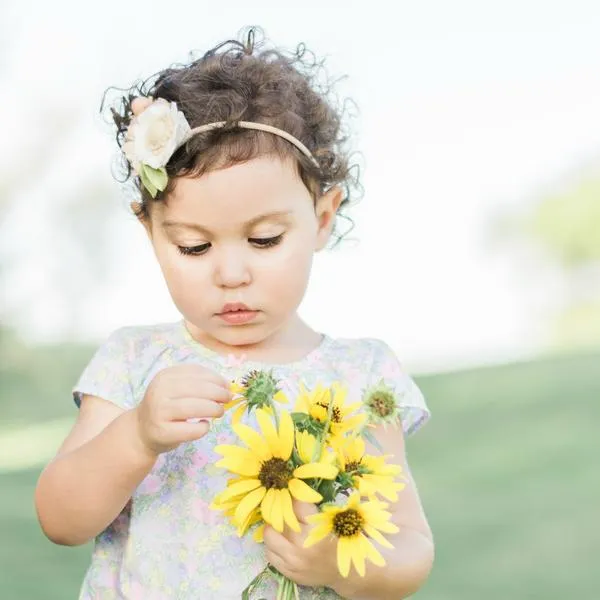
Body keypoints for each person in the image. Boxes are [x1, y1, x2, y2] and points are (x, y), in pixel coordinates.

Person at [34, 27, 434, 600]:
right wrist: (135, 436)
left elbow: (412, 550)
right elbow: (60, 519)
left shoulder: (360, 375)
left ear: (322, 219)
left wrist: (339, 563)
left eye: (265, 239)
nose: (230, 273)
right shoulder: (134, 361)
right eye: (194, 247)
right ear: (150, 231)